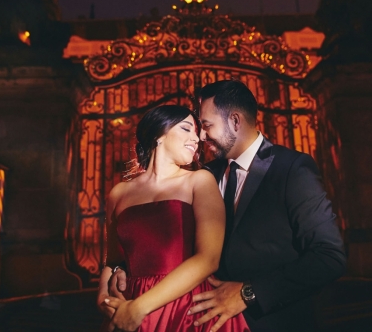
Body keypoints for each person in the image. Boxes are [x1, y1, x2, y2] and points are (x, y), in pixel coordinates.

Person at [109, 81, 346, 331]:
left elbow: (329, 256)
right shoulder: (205, 174)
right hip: (199, 320)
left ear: (235, 121)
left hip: (272, 321)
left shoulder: (291, 169)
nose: (200, 137)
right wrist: (120, 268)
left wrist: (248, 294)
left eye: (207, 125)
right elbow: (161, 237)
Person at [97, 105, 250, 332]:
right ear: (159, 134)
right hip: (129, 307)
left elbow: (208, 259)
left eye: (197, 132)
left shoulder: (199, 181)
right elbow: (113, 261)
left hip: (187, 309)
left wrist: (140, 308)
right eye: (186, 129)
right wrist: (103, 299)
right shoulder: (119, 193)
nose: (196, 139)